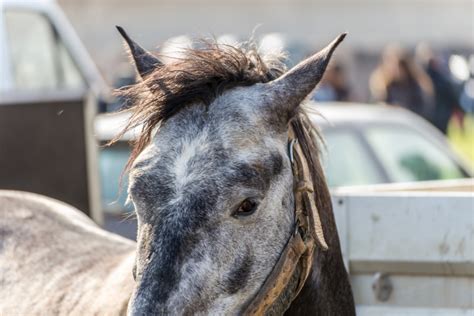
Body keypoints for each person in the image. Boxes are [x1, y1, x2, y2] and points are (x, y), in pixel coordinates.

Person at [370, 45, 434, 120]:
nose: (396, 69)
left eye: (400, 65)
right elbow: (374, 107)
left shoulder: (414, 85)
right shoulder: (383, 86)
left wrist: (403, 110)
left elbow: (422, 109)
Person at [416, 43, 464, 134]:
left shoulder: (434, 77)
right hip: (434, 116)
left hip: (437, 116)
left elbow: (450, 95)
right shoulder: (421, 78)